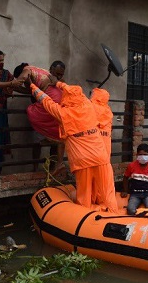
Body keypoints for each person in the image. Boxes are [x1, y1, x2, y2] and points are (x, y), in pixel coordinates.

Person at [30, 79, 115, 211]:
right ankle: (113, 213)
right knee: (108, 192)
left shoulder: (63, 113)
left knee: (84, 195)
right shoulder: (90, 107)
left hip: (83, 161)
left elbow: (45, 101)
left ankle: (86, 219)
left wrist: (32, 86)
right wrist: (60, 84)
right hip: (101, 158)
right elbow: (76, 92)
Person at [12, 61, 67, 175]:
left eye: (61, 74)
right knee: (50, 140)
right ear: (51, 69)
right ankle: (40, 168)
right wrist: (14, 86)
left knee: (55, 141)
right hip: (50, 112)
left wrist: (11, 84)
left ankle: (51, 168)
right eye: (57, 73)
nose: (58, 76)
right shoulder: (43, 75)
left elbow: (24, 82)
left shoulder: (32, 72)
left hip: (50, 111)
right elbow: (30, 90)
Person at [89, 87, 118, 212]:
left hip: (92, 149)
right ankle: (108, 205)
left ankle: (91, 202)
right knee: (105, 179)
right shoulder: (108, 112)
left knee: (91, 176)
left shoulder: (89, 108)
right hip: (105, 153)